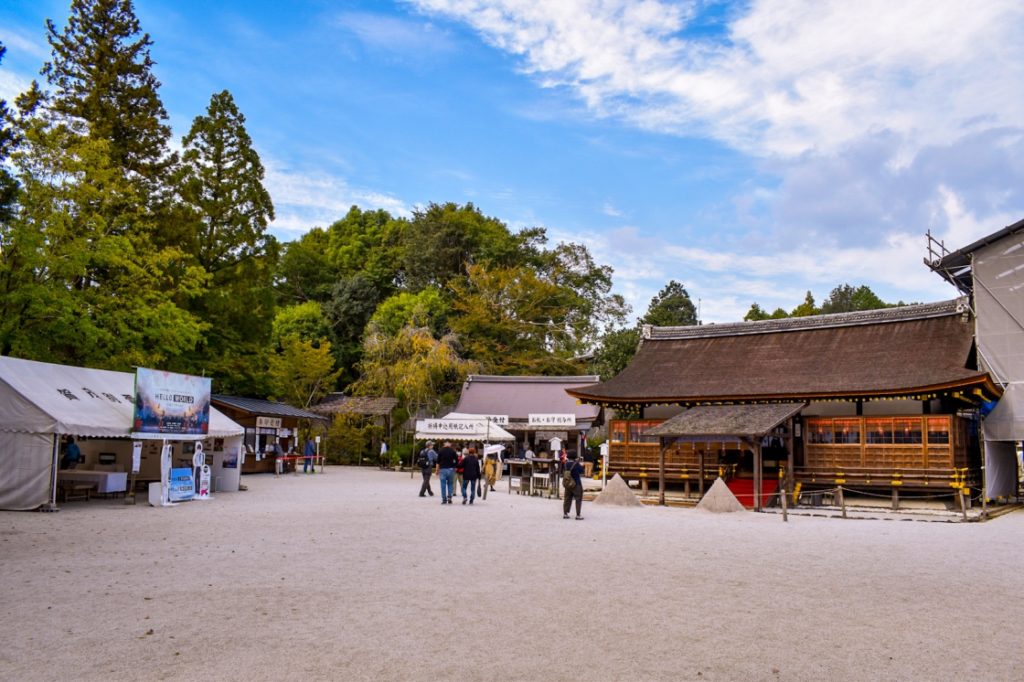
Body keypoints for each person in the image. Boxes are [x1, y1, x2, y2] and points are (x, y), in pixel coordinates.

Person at [562, 451, 585, 520]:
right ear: (575, 456)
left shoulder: (565, 464)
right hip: (576, 483)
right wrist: (580, 464)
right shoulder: (576, 464)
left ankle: (565, 513)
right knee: (578, 499)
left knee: (567, 499)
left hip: (568, 483)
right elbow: (581, 471)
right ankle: (578, 515)